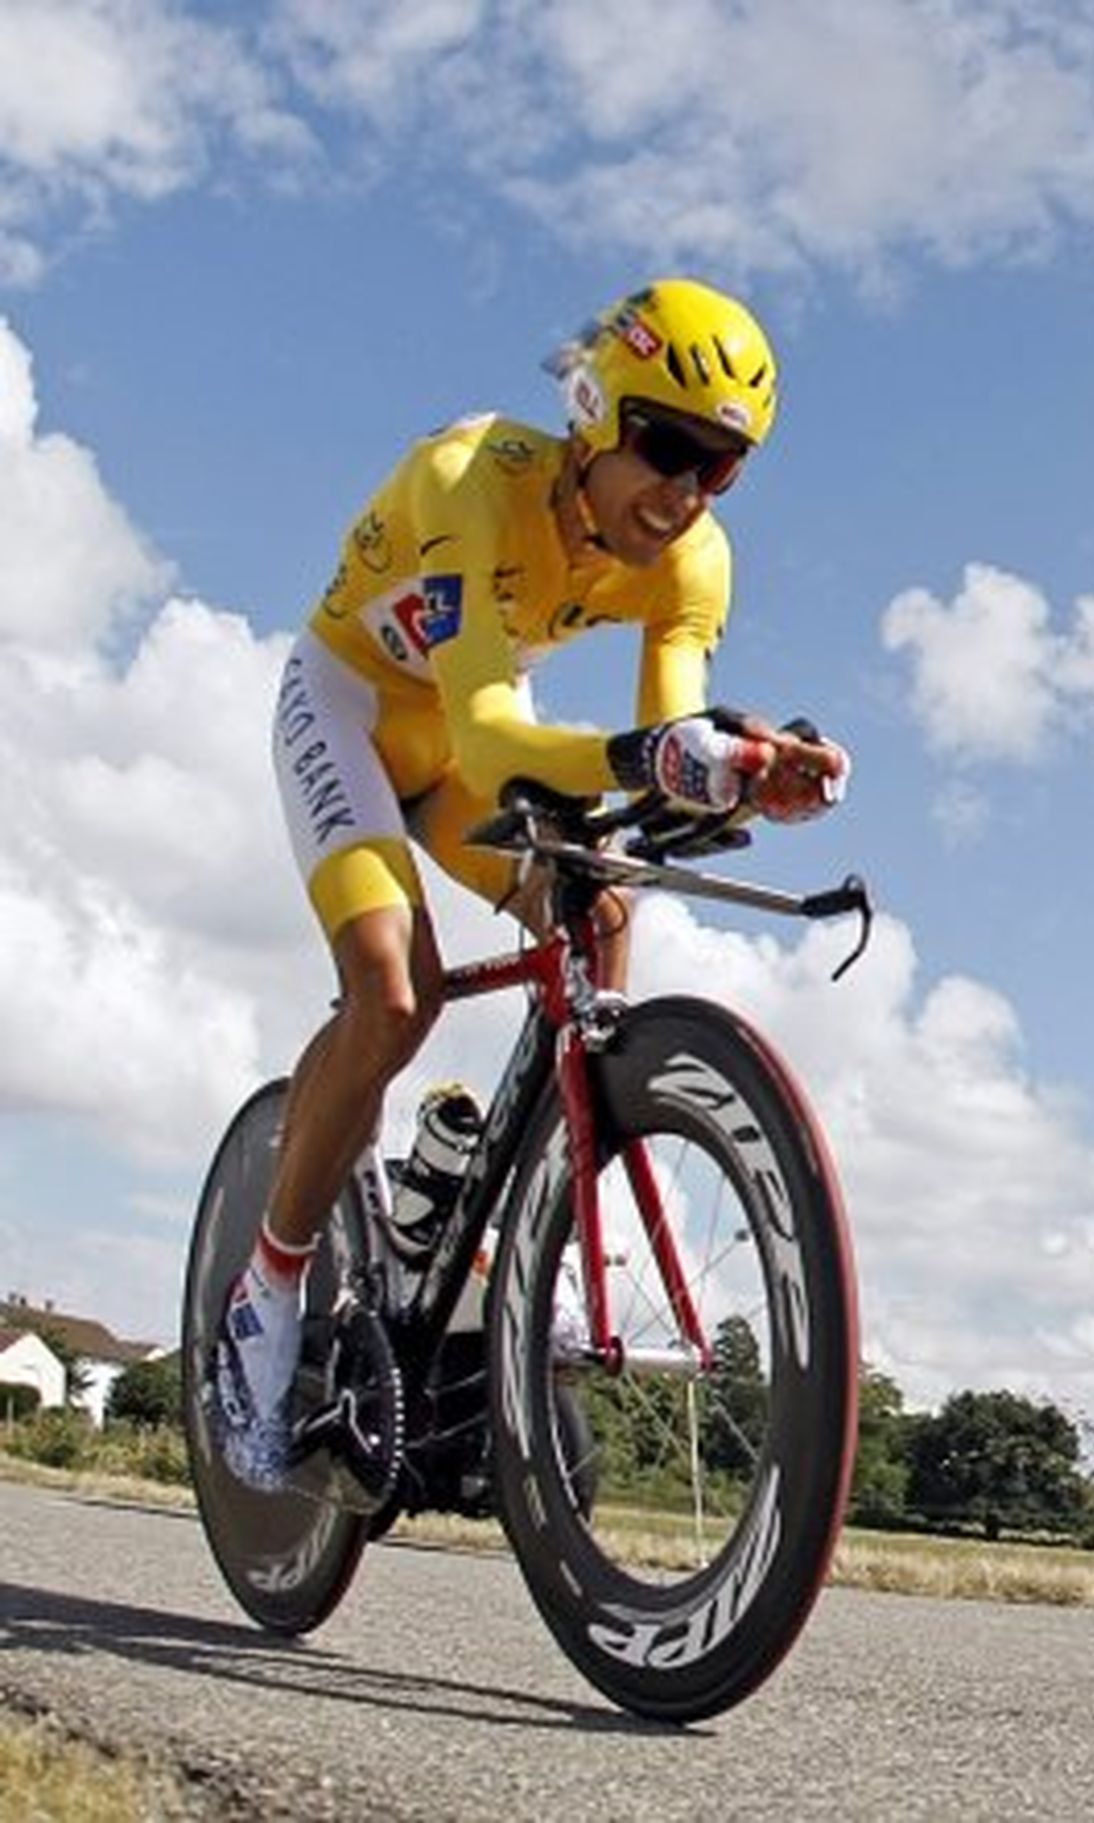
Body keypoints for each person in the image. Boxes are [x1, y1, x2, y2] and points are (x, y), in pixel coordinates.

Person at [212, 278, 849, 1488]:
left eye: (719, 467)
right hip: (352, 710)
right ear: (595, 412)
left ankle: (535, 1236)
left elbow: (667, 737)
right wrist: (652, 757)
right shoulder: (470, 481)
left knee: (601, 905)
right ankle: (268, 1291)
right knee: (398, 993)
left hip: (458, 748)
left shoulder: (692, 561)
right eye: (665, 444)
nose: (681, 491)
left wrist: (738, 769)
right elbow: (498, 735)